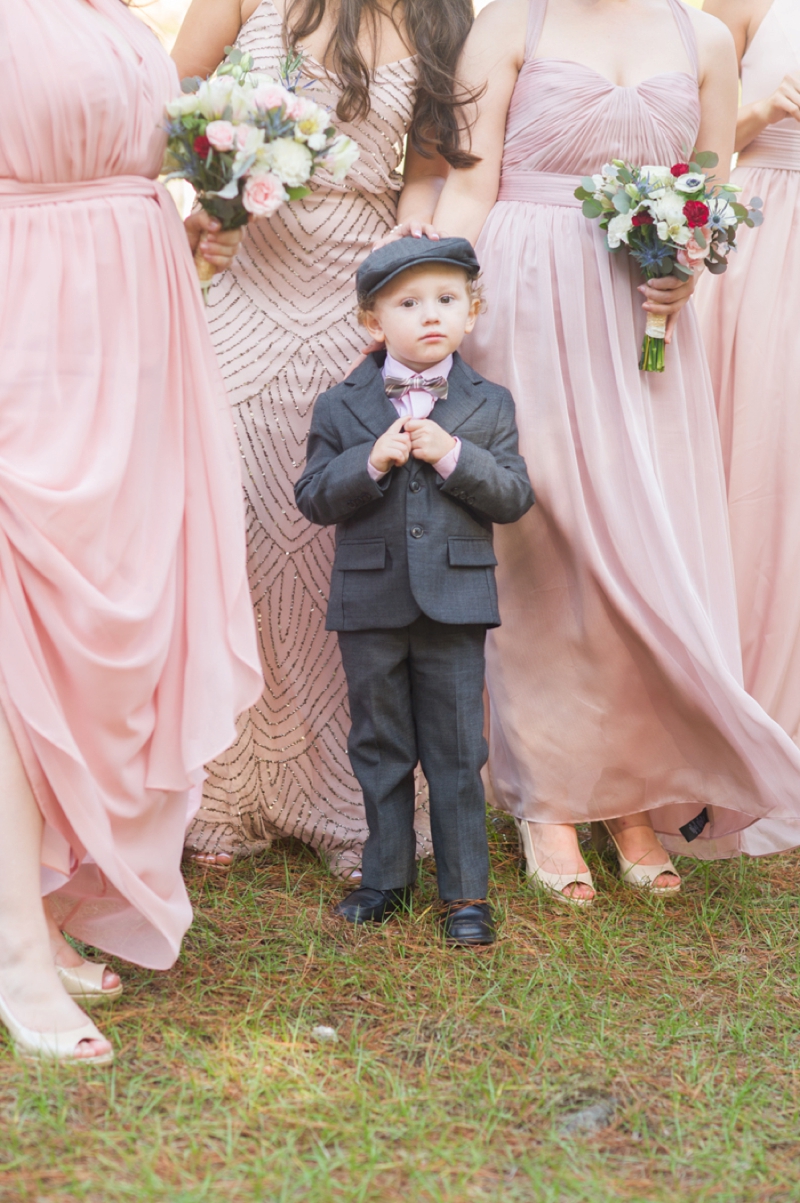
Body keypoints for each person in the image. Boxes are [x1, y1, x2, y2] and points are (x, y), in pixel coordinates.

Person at [418, 0, 800, 901]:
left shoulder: (702, 39)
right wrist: (441, 317)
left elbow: (707, 194)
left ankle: (628, 793)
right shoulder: (513, 24)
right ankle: (548, 796)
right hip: (524, 294)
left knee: (640, 540)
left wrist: (686, 263)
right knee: (543, 541)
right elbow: (469, 184)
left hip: (642, 319)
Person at [0, 0, 262, 1063]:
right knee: (19, 611)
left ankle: (43, 900)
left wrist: (188, 210)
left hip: (135, 322)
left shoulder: (112, 9)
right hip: (27, 315)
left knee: (100, 623)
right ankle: (15, 949)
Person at [171, 0, 476, 878]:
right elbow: (168, 104)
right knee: (234, 527)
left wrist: (404, 241)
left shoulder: (437, 14)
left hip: (357, 297)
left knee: (344, 542)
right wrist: (212, 189)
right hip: (244, 270)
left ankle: (348, 797)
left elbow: (428, 164)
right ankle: (219, 787)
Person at [294, 236, 534, 944]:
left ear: (471, 313)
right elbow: (311, 497)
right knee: (380, 742)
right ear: (374, 322)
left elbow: (514, 495)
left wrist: (453, 454)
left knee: (459, 749)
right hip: (369, 603)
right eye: (409, 303)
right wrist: (369, 461)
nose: (431, 315)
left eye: (447, 300)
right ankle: (386, 878)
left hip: (456, 602)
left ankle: (465, 895)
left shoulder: (489, 405)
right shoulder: (341, 407)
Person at [694, 0, 800, 857]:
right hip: (771, 254)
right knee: (762, 476)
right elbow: (684, 156)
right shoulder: (738, 7)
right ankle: (738, 729)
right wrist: (757, 115)